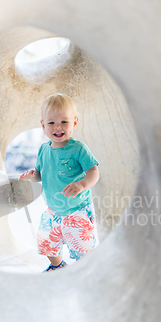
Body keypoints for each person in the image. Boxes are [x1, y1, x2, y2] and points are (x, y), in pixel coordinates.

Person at [19, 93, 100, 272]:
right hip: (53, 210)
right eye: (51, 123)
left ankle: (83, 271)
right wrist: (33, 175)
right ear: (43, 125)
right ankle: (58, 266)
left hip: (77, 210)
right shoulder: (43, 150)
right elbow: (41, 174)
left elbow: (94, 171)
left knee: (82, 248)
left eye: (64, 122)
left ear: (74, 123)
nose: (58, 127)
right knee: (45, 241)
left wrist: (82, 185)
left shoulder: (78, 149)